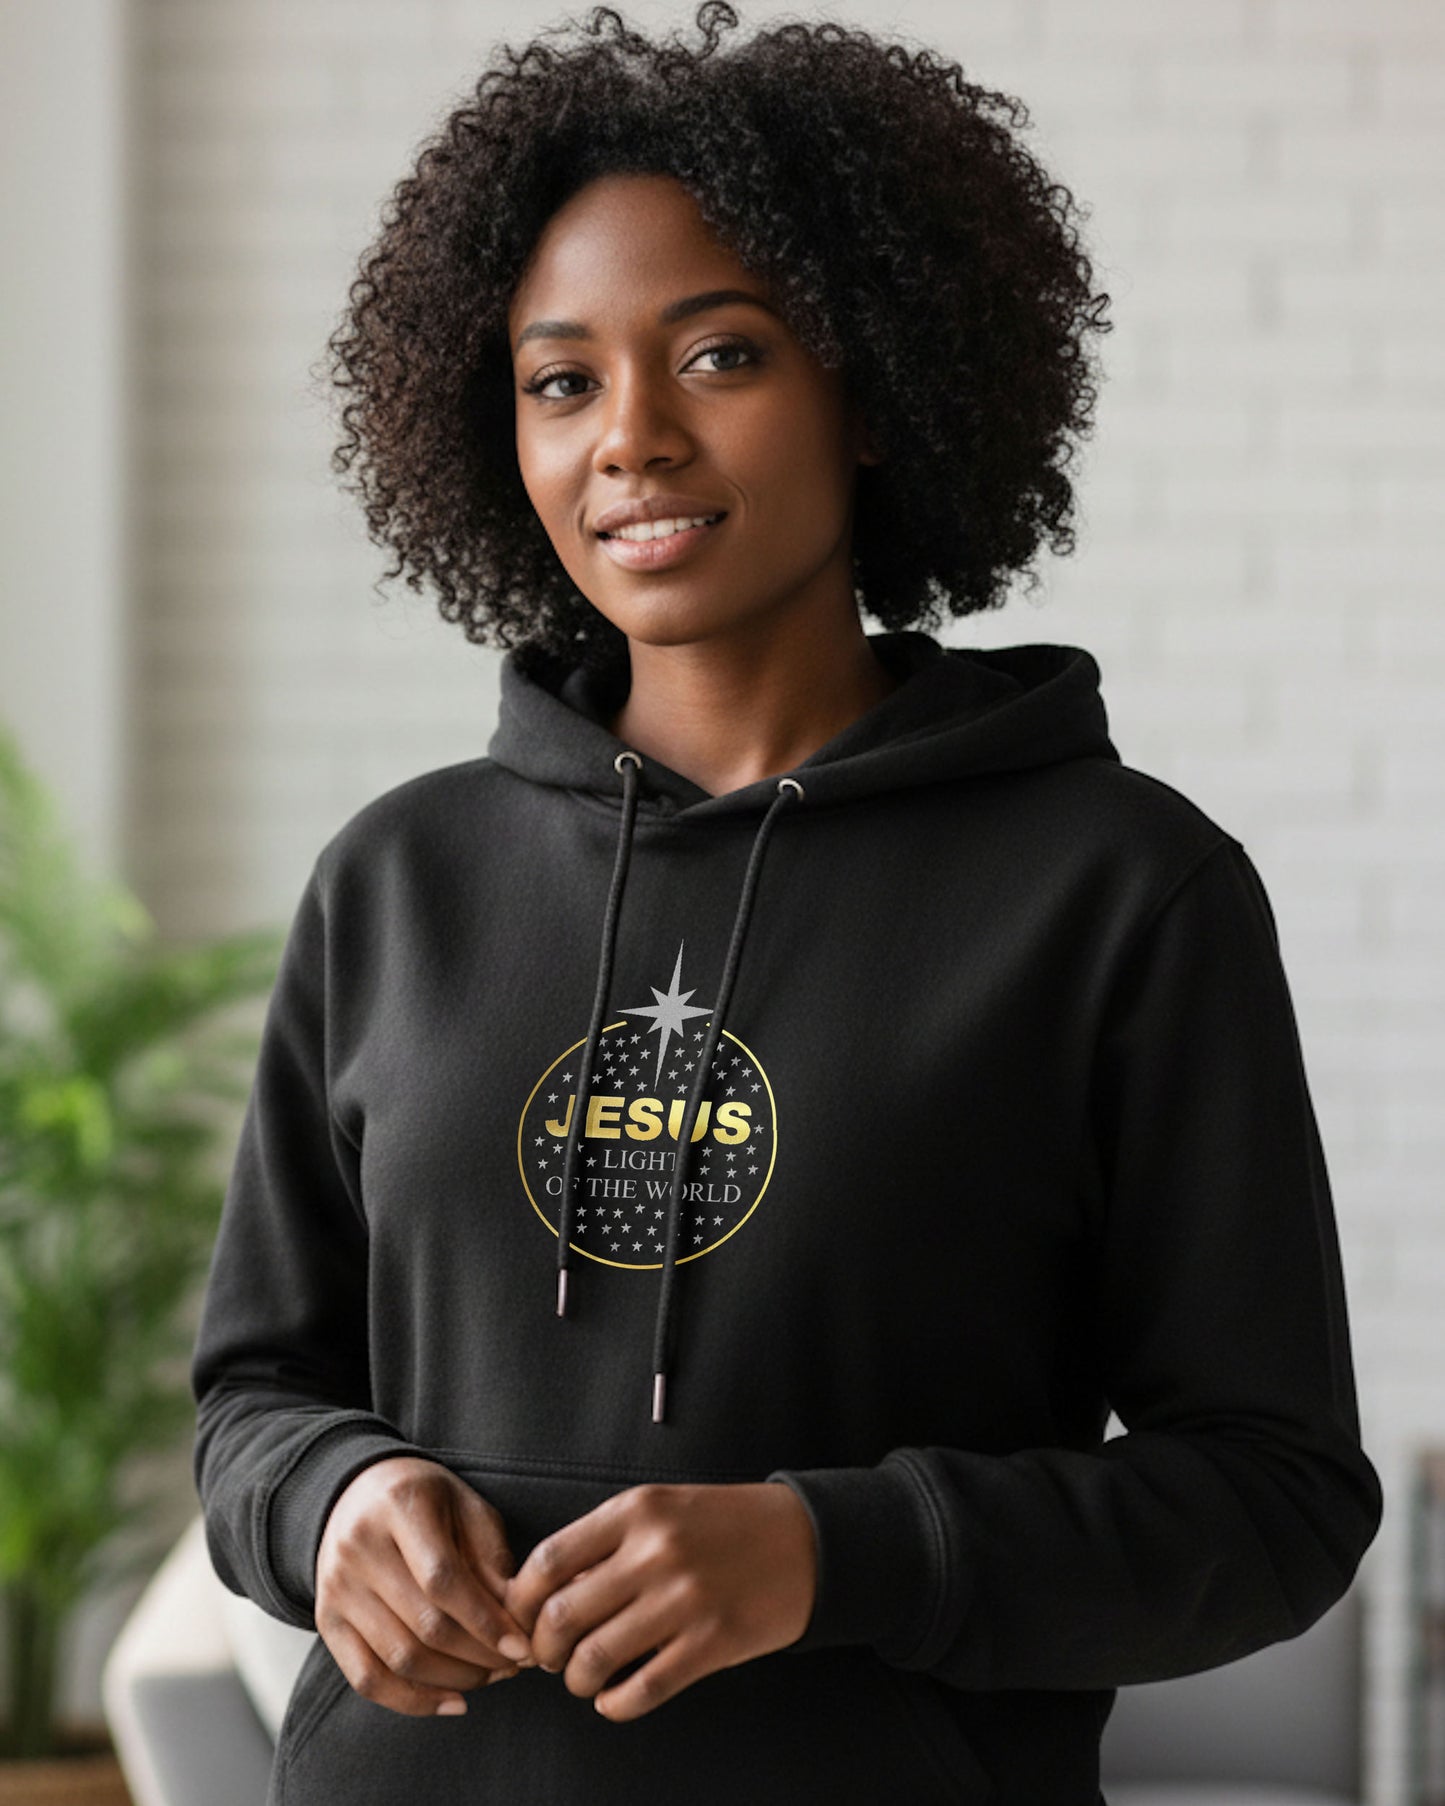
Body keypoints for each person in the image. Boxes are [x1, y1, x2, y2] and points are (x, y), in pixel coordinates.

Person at [188, 5, 1383, 1802]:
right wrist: (331, 1498)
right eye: (560, 378)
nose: (631, 439)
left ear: (876, 390)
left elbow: (1275, 1498)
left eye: (723, 355)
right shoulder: (396, 881)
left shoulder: (1122, 890)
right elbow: (250, 1401)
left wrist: (835, 1552)